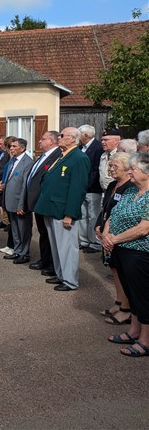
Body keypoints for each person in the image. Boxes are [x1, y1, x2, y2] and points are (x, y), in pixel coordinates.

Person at [103, 152, 149, 357]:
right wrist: (106, 232)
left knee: (143, 296)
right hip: (122, 251)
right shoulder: (131, 192)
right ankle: (134, 331)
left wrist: (114, 239)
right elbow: (114, 214)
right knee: (131, 293)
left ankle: (145, 341)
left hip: (140, 253)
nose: (130, 171)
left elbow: (143, 228)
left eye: (134, 169)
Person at [34, 127, 90, 291]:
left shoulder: (79, 158)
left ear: (73, 139)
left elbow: (77, 189)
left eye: (62, 135)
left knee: (67, 247)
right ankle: (61, 275)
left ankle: (70, 280)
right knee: (57, 246)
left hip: (62, 210)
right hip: (51, 207)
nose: (59, 137)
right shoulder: (62, 155)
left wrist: (70, 214)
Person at [95, 152, 134, 325]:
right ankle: (119, 303)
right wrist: (98, 225)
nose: (110, 169)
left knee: (122, 271)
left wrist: (109, 234)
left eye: (114, 166)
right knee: (113, 269)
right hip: (106, 234)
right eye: (110, 166)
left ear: (127, 169)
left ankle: (126, 310)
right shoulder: (112, 185)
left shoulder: (130, 187)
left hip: (118, 236)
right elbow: (105, 207)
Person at [21, 131, 62, 274]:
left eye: (43, 139)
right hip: (37, 202)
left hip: (45, 201)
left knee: (49, 234)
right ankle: (44, 260)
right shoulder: (43, 156)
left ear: (51, 141)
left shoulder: (57, 155)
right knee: (43, 233)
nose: (39, 141)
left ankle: (51, 264)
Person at [0, 138, 34, 264]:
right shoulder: (13, 160)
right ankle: (17, 250)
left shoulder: (27, 162)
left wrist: (22, 204)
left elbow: (25, 185)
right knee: (14, 229)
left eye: (14, 146)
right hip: (10, 201)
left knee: (23, 229)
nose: (11, 148)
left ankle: (24, 253)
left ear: (22, 148)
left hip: (20, 202)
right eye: (11, 146)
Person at [77, 124, 104, 254]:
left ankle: (95, 243)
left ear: (86, 136)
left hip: (93, 188)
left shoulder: (98, 147)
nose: (78, 137)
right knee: (82, 215)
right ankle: (84, 241)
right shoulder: (81, 147)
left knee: (93, 216)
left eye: (79, 134)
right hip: (82, 188)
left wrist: (87, 185)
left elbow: (96, 169)